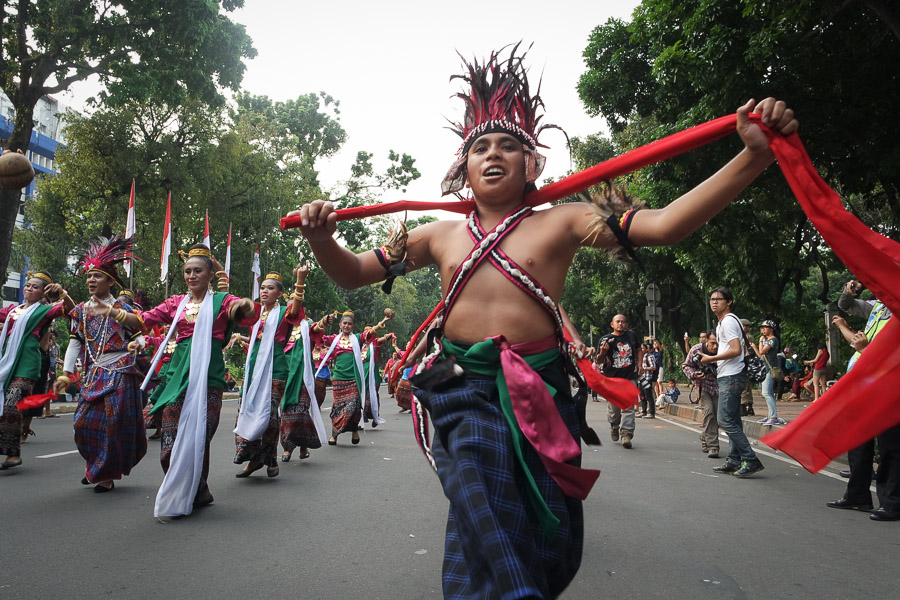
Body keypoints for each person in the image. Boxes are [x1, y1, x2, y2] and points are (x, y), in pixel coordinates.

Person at [292, 46, 796, 598]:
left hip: (541, 391)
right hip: (460, 392)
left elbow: (666, 225)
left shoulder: (564, 222)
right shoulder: (437, 235)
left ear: (532, 162)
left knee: (546, 530)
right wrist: (322, 239)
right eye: (480, 146)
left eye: (508, 145)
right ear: (462, 164)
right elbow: (353, 274)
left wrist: (753, 158)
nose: (493, 154)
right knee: (480, 501)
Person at [140, 244, 256, 518]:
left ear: (208, 275)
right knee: (170, 438)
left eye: (197, 271)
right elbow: (145, 319)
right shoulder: (176, 303)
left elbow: (241, 311)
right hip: (176, 377)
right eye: (188, 271)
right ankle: (189, 487)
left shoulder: (220, 301)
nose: (191, 276)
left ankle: (194, 488)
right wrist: (117, 316)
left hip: (209, 379)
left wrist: (245, 305)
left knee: (198, 437)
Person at [54, 236, 147, 492]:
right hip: (94, 373)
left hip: (120, 371)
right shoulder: (82, 310)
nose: (91, 281)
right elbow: (76, 342)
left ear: (110, 281)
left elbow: (141, 337)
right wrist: (66, 373)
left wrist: (136, 346)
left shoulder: (121, 308)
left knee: (110, 425)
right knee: (82, 423)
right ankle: (96, 464)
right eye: (88, 277)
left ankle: (105, 474)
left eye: (97, 276)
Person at [827, 279, 899, 521]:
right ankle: (858, 495)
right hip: (862, 382)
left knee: (890, 445)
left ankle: (892, 502)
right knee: (858, 439)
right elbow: (846, 304)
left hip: (889, 386)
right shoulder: (879, 307)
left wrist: (866, 348)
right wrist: (849, 290)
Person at [232, 269, 305, 479]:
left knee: (269, 415)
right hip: (254, 368)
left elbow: (296, 308)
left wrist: (300, 281)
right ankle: (254, 459)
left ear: (280, 294)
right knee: (247, 410)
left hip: (276, 369)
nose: (265, 291)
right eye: (263, 287)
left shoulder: (284, 313)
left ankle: (268, 460)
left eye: (270, 288)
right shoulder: (254, 313)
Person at [0, 272, 73, 470]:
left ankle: (12, 455)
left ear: (43, 293)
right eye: (28, 285)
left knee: (11, 403)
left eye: (35, 287)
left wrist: (62, 294)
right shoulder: (11, 310)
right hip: (7, 359)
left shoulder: (43, 311)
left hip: (27, 362)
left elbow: (70, 310)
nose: (29, 289)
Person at [700, 287, 765, 477]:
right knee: (734, 419)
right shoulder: (723, 322)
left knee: (724, 419)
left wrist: (711, 359)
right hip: (730, 374)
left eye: (718, 299)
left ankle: (750, 458)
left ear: (728, 302)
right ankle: (734, 460)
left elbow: (736, 350)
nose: (714, 302)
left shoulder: (728, 322)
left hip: (732, 375)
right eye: (712, 299)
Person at [279, 268, 334, 462]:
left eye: (294, 307)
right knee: (285, 412)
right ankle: (288, 447)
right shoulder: (280, 330)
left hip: (302, 377)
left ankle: (301, 447)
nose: (290, 311)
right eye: (288, 308)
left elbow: (318, 327)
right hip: (284, 376)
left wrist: (325, 321)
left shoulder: (306, 327)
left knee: (301, 411)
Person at [316, 310, 391, 445]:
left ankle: (354, 431)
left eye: (349, 324)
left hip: (354, 379)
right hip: (339, 378)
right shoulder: (334, 338)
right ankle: (335, 435)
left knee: (354, 407)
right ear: (340, 324)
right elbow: (318, 336)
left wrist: (383, 321)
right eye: (344, 323)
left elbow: (370, 333)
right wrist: (324, 321)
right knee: (338, 407)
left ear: (353, 326)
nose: (346, 326)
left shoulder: (357, 338)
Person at [597, 315, 643, 444]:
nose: (621, 324)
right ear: (612, 324)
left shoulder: (632, 336)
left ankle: (626, 433)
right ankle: (614, 426)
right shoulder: (605, 339)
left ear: (626, 325)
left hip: (629, 377)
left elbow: (639, 349)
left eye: (623, 322)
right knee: (614, 410)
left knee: (629, 407)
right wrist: (602, 352)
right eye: (618, 322)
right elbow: (598, 361)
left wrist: (640, 364)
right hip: (612, 379)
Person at [683, 331, 720, 458]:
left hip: (721, 387)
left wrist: (714, 362)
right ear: (706, 341)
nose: (715, 347)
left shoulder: (725, 350)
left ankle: (705, 436)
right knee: (709, 413)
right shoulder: (696, 350)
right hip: (703, 387)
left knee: (719, 417)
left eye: (718, 344)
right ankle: (713, 446)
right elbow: (686, 366)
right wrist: (694, 375)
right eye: (712, 343)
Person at [751, 319, 782, 425]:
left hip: (770, 369)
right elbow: (761, 356)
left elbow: (762, 351)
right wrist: (755, 347)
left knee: (766, 393)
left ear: (771, 329)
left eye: (765, 328)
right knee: (769, 393)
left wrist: (760, 341)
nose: (762, 330)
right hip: (766, 368)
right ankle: (771, 415)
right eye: (762, 328)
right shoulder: (768, 340)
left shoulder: (772, 340)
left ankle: (773, 417)